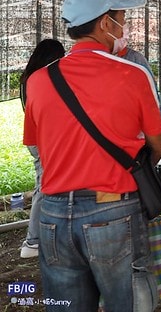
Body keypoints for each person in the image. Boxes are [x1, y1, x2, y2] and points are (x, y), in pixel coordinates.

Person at [22, 0, 161, 311]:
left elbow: (37, 146)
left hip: (53, 214)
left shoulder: (39, 81)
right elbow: (158, 144)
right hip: (113, 210)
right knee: (129, 302)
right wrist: (136, 166)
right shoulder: (133, 73)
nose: (123, 26)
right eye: (121, 18)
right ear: (104, 23)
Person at [18, 38, 66, 259]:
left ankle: (45, 235)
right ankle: (33, 240)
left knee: (47, 184)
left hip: (37, 137)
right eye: (60, 57)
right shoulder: (39, 79)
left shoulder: (30, 77)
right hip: (40, 138)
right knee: (43, 186)